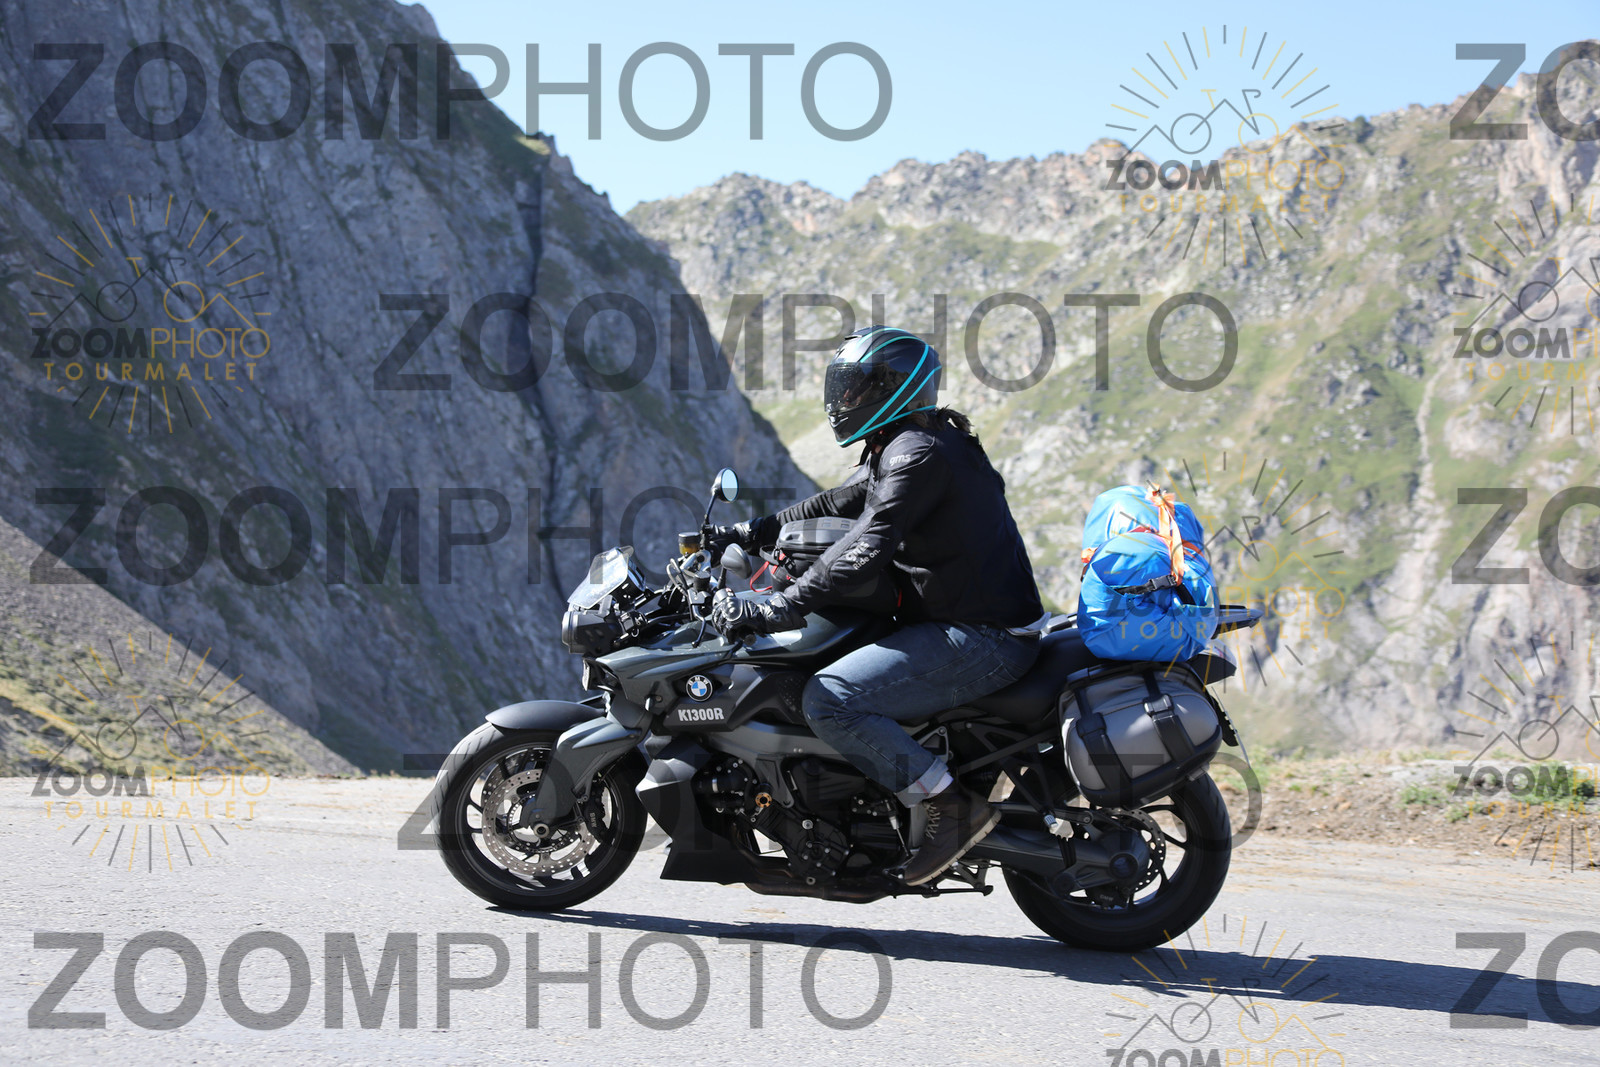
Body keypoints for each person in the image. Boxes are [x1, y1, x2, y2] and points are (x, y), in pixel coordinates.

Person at [709, 325, 1045, 886]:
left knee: (830, 699)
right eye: (843, 387)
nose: (843, 400)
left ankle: (950, 807)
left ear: (892, 388)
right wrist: (755, 529)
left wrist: (782, 605)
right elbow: (841, 500)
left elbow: (866, 545)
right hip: (963, 622)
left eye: (857, 387)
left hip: (983, 637)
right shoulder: (913, 440)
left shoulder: (918, 453)